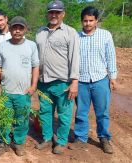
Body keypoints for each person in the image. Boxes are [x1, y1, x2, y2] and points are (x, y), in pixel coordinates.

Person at [70, 6, 117, 154]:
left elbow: (111, 57)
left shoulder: (105, 35)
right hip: (82, 80)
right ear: (81, 21)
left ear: (96, 20)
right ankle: (80, 138)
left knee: (102, 112)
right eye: (85, 21)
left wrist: (113, 77)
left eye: (91, 20)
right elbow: (71, 60)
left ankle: (104, 138)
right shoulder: (76, 37)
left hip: (100, 80)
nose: (88, 24)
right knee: (81, 112)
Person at [35, 0, 80, 155]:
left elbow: (75, 58)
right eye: (51, 12)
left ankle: (61, 141)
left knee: (64, 114)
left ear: (63, 14)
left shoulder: (70, 32)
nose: (54, 15)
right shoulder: (40, 32)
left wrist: (74, 82)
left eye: (57, 12)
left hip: (63, 83)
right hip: (43, 82)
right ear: (47, 13)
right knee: (45, 112)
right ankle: (47, 139)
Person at [0, 16, 39, 156]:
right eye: (15, 27)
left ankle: (18, 143)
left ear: (25, 29)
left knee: (22, 118)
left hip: (23, 92)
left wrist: (33, 86)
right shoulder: (3, 46)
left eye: (21, 28)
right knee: (4, 118)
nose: (17, 31)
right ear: (10, 29)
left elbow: (35, 66)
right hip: (6, 91)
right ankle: (3, 142)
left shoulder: (31, 45)